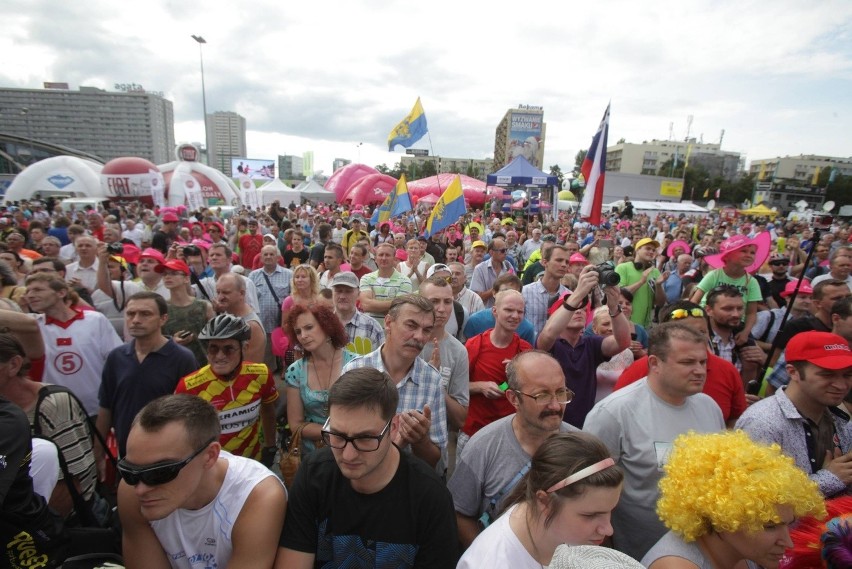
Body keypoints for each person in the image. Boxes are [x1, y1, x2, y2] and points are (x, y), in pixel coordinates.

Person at [274, 367, 458, 568]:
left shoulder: (430, 498)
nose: (348, 454)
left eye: (365, 438)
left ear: (393, 427)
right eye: (337, 435)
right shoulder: (314, 475)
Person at [583, 322, 726, 560]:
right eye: (687, 362)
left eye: (703, 362)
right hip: (636, 555)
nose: (700, 370)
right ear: (655, 363)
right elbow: (590, 491)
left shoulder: (709, 407)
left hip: (703, 551)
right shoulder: (613, 413)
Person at [118, 394, 286, 569]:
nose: (141, 489)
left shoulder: (256, 496)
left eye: (160, 473)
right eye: (130, 471)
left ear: (210, 456)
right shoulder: (130, 491)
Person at [448, 351, 580, 549]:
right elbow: (459, 515)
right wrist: (490, 557)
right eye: (542, 395)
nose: (555, 405)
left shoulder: (583, 448)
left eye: (561, 393)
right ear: (513, 398)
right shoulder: (482, 447)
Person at [642, 431, 826, 569]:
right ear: (722, 519)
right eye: (770, 526)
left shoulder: (739, 551)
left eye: (788, 524)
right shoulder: (676, 566)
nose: (788, 542)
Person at [458, 432, 623, 568]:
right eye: (591, 515)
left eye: (611, 511)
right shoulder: (494, 563)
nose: (608, 530)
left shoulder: (562, 534)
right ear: (545, 502)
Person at [736, 330, 852, 497]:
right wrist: (830, 479)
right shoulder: (762, 422)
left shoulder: (839, 418)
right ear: (793, 372)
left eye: (848, 375)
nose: (841, 385)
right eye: (827, 374)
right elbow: (755, 498)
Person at [342, 294, 447, 470]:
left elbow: (434, 459)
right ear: (389, 323)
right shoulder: (355, 370)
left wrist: (420, 440)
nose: (420, 336)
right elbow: (338, 438)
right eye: (411, 325)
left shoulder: (432, 380)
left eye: (427, 330)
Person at [97, 292, 199, 460]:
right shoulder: (116, 357)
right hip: (126, 454)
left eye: (145, 314)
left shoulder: (182, 358)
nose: (136, 319)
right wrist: (98, 452)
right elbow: (105, 407)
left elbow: (191, 412)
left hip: (167, 455)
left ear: (163, 319)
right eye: (130, 314)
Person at [614, 301, 748, 427]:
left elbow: (735, 420)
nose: (695, 338)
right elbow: (616, 416)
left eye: (701, 332)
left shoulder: (727, 370)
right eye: (685, 332)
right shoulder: (639, 369)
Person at [175, 314, 279, 464]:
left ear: (245, 348)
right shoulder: (189, 385)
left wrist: (270, 446)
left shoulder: (260, 374)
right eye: (213, 349)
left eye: (228, 349)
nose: (220, 356)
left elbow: (268, 412)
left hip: (250, 463)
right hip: (212, 468)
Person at [536, 267, 631, 428]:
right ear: (555, 314)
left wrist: (614, 307)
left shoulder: (590, 344)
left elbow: (623, 342)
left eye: (582, 308)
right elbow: (549, 333)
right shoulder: (550, 344)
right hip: (553, 424)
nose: (579, 311)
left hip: (585, 424)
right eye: (573, 308)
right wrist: (579, 293)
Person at [25, 273, 123, 416]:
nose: (30, 295)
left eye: (38, 290)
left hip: (98, 408)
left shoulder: (95, 320)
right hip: (54, 411)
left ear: (61, 292)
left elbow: (116, 360)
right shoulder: (33, 326)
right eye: (28, 291)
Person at [460, 289, 533, 452]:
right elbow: (456, 388)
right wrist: (480, 386)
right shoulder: (475, 345)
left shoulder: (525, 350)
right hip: (474, 430)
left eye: (520, 312)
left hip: (510, 432)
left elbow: (526, 392)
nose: (515, 316)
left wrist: (514, 377)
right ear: (495, 311)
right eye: (509, 310)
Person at [285, 303, 357, 455]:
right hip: (312, 455)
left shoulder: (356, 364)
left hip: (352, 449)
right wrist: (332, 433)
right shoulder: (295, 371)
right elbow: (295, 425)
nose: (303, 336)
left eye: (309, 327)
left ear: (327, 327)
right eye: (298, 331)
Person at [159, 259, 215, 367]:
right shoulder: (161, 309)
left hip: (204, 366)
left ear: (186, 278)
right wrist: (172, 342)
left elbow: (215, 339)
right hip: (173, 365)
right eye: (165, 274)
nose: (167, 277)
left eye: (174, 273)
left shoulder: (204, 306)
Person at [215, 272, 267, 364]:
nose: (220, 297)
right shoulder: (228, 316)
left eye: (226, 292)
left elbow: (248, 369)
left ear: (242, 293)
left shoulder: (250, 326)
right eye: (218, 292)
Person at [329, 271, 385, 356]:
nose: (342, 296)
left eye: (348, 291)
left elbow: (381, 361)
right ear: (332, 293)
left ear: (358, 294)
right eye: (338, 291)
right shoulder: (322, 325)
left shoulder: (372, 327)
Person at [614, 237, 664, 328]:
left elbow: (660, 303)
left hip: (646, 327)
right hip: (625, 324)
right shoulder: (623, 267)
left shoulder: (655, 272)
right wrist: (641, 282)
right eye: (648, 248)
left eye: (653, 250)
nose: (651, 252)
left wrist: (659, 285)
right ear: (637, 250)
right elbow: (619, 294)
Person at [358, 242, 414, 322]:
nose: (384, 258)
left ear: (394, 258)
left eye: (387, 255)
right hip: (370, 330)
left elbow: (400, 310)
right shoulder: (366, 278)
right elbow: (366, 305)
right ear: (375, 258)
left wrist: (373, 303)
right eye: (381, 255)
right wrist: (394, 303)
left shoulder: (405, 281)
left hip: (392, 331)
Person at [522, 243, 570, 336]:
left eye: (567, 262)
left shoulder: (569, 296)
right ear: (545, 262)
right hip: (530, 347)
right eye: (559, 260)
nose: (564, 265)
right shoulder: (525, 292)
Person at [471, 237, 514, 308]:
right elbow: (477, 297)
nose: (505, 253)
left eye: (506, 250)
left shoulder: (508, 265)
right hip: (487, 312)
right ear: (491, 252)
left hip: (505, 310)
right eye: (502, 251)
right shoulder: (480, 269)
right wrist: (499, 286)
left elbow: (515, 289)